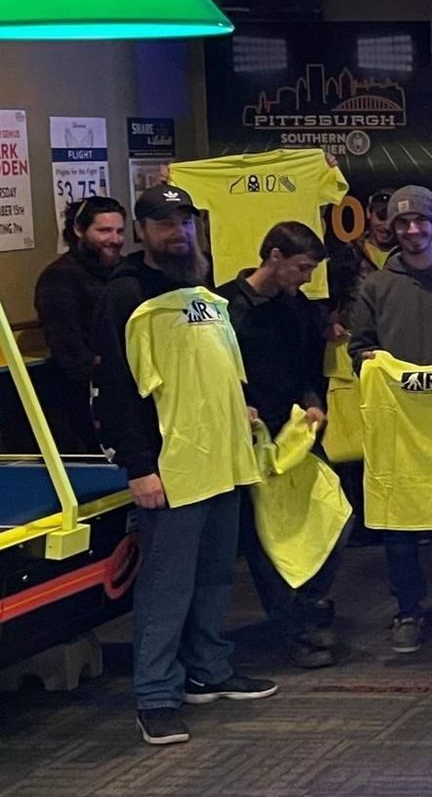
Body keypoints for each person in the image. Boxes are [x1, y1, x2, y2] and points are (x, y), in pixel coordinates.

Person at [94, 184, 277, 746]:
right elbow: (116, 391)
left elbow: (214, 365)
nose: (179, 233)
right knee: (167, 586)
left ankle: (208, 669)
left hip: (221, 458)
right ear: (143, 230)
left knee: (217, 575)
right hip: (171, 467)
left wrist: (239, 406)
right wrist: (139, 467)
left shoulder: (198, 285)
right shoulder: (127, 295)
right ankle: (156, 696)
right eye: (166, 224)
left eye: (186, 222)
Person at [348, 186, 432, 654]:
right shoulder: (375, 286)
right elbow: (358, 348)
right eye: (402, 223)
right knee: (399, 526)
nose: (411, 230)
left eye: (420, 221)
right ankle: (408, 609)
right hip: (401, 427)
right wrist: (368, 359)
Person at [218, 223, 343, 670]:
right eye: (302, 268)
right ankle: (296, 630)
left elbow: (306, 367)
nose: (306, 278)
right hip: (249, 436)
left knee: (335, 514)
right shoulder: (225, 307)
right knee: (267, 539)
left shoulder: (295, 306)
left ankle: (309, 601)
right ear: (274, 256)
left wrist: (313, 403)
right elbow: (215, 371)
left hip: (294, 431)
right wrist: (238, 404)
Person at [34, 195, 126, 453]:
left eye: (119, 231)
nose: (114, 239)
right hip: (86, 407)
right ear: (78, 230)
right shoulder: (59, 279)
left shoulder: (126, 271)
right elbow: (70, 354)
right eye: (104, 230)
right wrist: (110, 392)